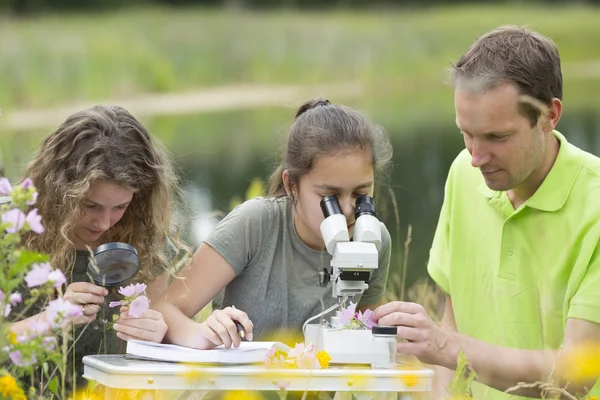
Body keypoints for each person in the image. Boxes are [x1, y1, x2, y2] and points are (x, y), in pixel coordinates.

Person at [373, 25, 600, 399]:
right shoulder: (463, 173)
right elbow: (453, 318)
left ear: (550, 116)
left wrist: (446, 346)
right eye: (466, 133)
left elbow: (576, 375)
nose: (476, 156)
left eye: (497, 137)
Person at [154, 99, 394, 349]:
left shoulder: (374, 240)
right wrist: (204, 333)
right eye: (329, 197)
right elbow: (164, 310)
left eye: (360, 194)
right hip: (243, 386)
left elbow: (364, 336)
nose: (347, 210)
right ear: (291, 185)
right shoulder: (254, 224)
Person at [8, 105, 189, 388]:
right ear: (59, 191)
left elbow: (150, 346)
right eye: (90, 205)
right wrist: (50, 319)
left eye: (120, 206)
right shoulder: (12, 230)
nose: (104, 223)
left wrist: (156, 336)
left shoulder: (143, 234)